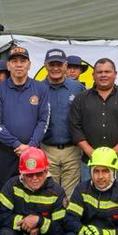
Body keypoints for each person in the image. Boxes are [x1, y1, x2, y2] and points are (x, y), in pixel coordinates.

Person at [70, 58, 118, 196]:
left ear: (115, 74)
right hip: (90, 163)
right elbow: (75, 128)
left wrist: (113, 153)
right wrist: (92, 153)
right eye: (99, 72)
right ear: (93, 75)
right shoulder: (80, 99)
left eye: (107, 72)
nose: (103, 75)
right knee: (89, 201)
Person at [0, 45, 50, 192]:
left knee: (33, 192)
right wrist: (16, 144)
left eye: (23, 60)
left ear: (29, 64)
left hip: (33, 152)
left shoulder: (41, 89)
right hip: (7, 153)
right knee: (4, 193)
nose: (19, 64)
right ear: (8, 66)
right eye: (14, 61)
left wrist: (31, 146)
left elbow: (44, 120)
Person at [40, 48, 86, 196]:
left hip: (72, 150)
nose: (55, 68)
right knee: (49, 194)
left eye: (59, 64)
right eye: (51, 64)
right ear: (45, 66)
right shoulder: (37, 88)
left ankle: (66, 220)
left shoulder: (78, 88)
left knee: (70, 196)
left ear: (65, 66)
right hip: (46, 149)